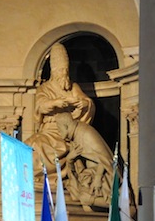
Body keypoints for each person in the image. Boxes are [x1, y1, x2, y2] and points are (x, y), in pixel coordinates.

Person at [28, 43, 95, 178]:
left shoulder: (72, 87)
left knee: (41, 145)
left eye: (65, 70)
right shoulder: (44, 88)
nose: (63, 73)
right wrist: (56, 103)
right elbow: (40, 105)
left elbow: (87, 101)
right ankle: (40, 179)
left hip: (67, 131)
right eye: (60, 70)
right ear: (53, 71)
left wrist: (84, 103)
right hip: (49, 130)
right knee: (32, 145)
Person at [54, 112, 114, 210]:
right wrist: (69, 159)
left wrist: (98, 179)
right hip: (87, 176)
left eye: (59, 127)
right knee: (77, 194)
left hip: (103, 175)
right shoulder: (73, 139)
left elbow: (105, 158)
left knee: (85, 199)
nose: (58, 131)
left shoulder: (86, 133)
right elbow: (78, 170)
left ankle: (110, 204)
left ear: (65, 125)